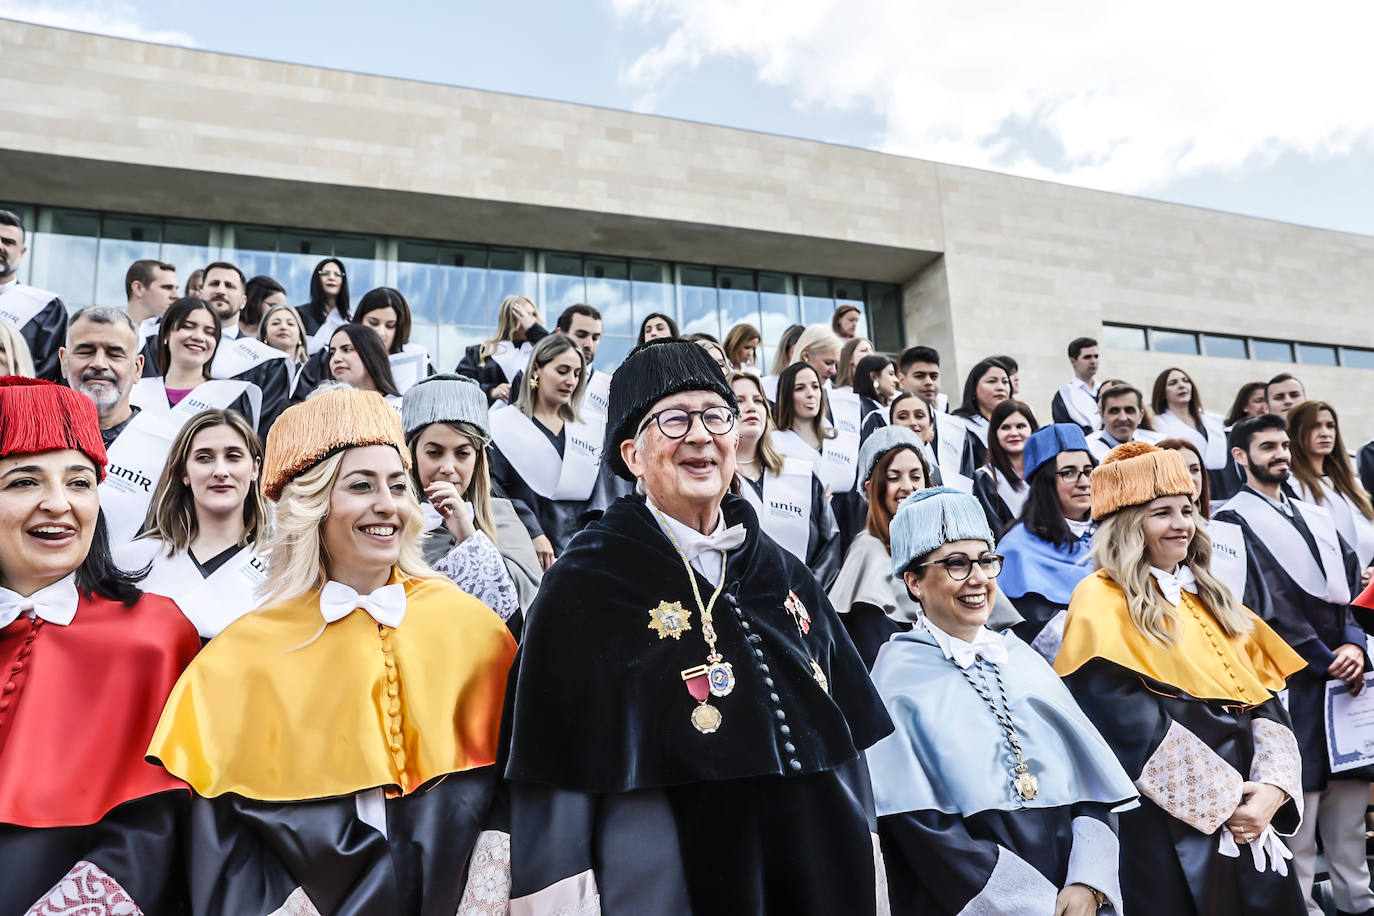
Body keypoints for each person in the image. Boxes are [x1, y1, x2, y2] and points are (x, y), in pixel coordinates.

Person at [501, 338, 893, 914]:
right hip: (665, 881)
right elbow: (552, 775)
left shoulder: (787, 575)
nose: (701, 435)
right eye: (676, 419)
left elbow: (846, 746)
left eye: (716, 415)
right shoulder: (583, 582)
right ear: (633, 455)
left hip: (822, 870)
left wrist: (870, 860)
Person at [148, 388, 518, 915]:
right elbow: (223, 842)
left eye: (396, 485)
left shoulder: (473, 627)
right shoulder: (244, 653)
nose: (387, 505)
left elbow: (516, 788)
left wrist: (485, 893)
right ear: (313, 505)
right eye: (361, 486)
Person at [1056, 441, 1309, 916]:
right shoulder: (1098, 598)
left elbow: (1267, 701)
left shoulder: (1211, 597)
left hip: (1250, 813)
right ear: (1130, 525)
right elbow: (1126, 723)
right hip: (1170, 820)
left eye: (1187, 509)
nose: (1182, 524)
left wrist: (1272, 789)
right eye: (1162, 513)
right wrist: (1228, 800)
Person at [870, 486, 1135, 916]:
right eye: (956, 564)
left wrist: (1088, 882)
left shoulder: (1023, 659)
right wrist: (1032, 905)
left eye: (986, 560)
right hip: (976, 899)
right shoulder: (895, 678)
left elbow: (1093, 788)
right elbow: (918, 827)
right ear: (914, 581)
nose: (978, 578)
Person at [0, 377, 200, 913]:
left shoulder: (155, 635)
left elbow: (156, 831)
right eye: (24, 482)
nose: (58, 505)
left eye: (80, 482)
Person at [1213, 414, 1374, 916]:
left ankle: (1358, 903)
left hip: (1343, 682)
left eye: (1283, 445)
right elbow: (1265, 606)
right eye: (1267, 447)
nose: (1280, 454)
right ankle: (1304, 907)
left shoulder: (1318, 517)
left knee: (1349, 815)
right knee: (1300, 817)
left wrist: (1355, 645)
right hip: (1293, 684)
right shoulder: (1232, 524)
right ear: (1240, 456)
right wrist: (1327, 659)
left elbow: (1352, 589)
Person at [113, 409, 270, 638]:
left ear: (255, 468)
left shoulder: (281, 569)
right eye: (204, 458)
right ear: (184, 473)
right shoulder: (133, 560)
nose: (220, 471)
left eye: (234, 456)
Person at [401, 373, 529, 628]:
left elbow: (526, 615)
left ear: (478, 459)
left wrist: (468, 537)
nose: (448, 467)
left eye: (462, 453)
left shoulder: (503, 517)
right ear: (412, 455)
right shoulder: (393, 520)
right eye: (434, 453)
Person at [487, 333, 613, 567]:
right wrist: (532, 532)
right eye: (562, 371)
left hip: (589, 551)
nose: (571, 381)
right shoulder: (502, 425)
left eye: (577, 374)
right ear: (536, 370)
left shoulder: (590, 428)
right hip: (532, 553)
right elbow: (494, 490)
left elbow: (603, 495)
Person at [829, 426, 946, 667]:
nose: (908, 486)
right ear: (871, 487)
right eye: (894, 477)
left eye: (916, 476)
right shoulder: (867, 551)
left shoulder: (944, 544)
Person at [730, 371, 840, 589]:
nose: (751, 407)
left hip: (805, 602)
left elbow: (830, 546)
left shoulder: (801, 476)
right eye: (738, 401)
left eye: (758, 400)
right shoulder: (715, 485)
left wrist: (807, 591)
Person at [996, 423, 1096, 659]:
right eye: (1069, 472)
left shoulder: (1113, 533)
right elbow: (1039, 635)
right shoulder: (1016, 549)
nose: (1083, 481)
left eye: (1088, 470)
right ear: (1045, 483)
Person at [131, 297, 260, 425]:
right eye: (188, 327)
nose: (199, 337)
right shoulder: (135, 392)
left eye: (209, 332)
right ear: (166, 334)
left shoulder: (232, 398)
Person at [1286, 400, 1374, 571]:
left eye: (1330, 426)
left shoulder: (1353, 484)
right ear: (1296, 432)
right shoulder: (1289, 485)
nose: (1325, 433)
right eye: (1315, 426)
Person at [1151, 366, 1237, 501]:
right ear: (1162, 393)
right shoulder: (1156, 424)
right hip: (1187, 487)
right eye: (1173, 383)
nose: (1181, 386)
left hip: (1226, 486)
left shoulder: (1214, 420)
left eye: (1185, 381)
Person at [0, 209, 67, 380]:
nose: (0, 246)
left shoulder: (46, 308)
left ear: (22, 252)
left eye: (7, 242)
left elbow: (45, 374)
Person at [457, 294, 547, 404]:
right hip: (491, 418)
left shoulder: (542, 351)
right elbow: (460, 385)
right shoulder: (480, 353)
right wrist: (491, 391)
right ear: (511, 318)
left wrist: (533, 330)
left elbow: (559, 350)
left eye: (533, 314)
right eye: (525, 315)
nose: (531, 320)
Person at [972, 399, 1038, 533]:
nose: (1014, 433)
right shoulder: (986, 478)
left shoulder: (1046, 471)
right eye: (1005, 427)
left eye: (1020, 426)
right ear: (995, 433)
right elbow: (994, 530)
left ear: (1032, 429)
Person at [351, 286, 433, 394]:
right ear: (360, 321)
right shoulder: (340, 355)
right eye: (373, 323)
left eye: (390, 325)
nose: (381, 332)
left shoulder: (419, 360)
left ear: (399, 328)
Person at [327, 323, 403, 405]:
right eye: (332, 353)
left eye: (347, 349)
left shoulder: (402, 408)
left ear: (371, 353)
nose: (336, 358)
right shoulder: (322, 408)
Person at [951, 357, 1012, 457]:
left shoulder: (1016, 425)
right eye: (992, 381)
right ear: (974, 389)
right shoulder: (959, 425)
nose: (1001, 387)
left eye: (1005, 382)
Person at [1087, 381, 1162, 459]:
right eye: (1114, 411)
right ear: (1102, 415)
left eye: (1129, 410)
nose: (1122, 418)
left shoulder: (1152, 452)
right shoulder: (1089, 454)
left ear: (1140, 416)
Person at [297, 256, 351, 352]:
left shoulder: (350, 319)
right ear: (317, 279)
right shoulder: (300, 314)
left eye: (337, 274)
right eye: (325, 273)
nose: (331, 277)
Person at [1051, 336, 1101, 432]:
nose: (1093, 361)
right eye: (1087, 357)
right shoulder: (1064, 395)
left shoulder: (1105, 389)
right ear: (1073, 361)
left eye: (1096, 356)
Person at [258, 301, 309, 390]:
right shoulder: (254, 370)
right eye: (276, 323)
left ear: (300, 336)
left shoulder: (311, 371)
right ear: (264, 335)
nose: (283, 327)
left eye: (290, 324)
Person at [124, 258, 179, 329]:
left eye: (176, 289)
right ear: (138, 288)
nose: (176, 296)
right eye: (167, 287)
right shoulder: (107, 328)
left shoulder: (174, 334)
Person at [200, 261, 249, 340]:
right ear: (200, 295)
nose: (221, 291)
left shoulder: (255, 350)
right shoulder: (179, 342)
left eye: (229, 286)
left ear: (243, 302)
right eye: (214, 284)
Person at [854, 353, 897, 443]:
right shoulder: (860, 408)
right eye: (891, 374)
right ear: (874, 376)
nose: (896, 380)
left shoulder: (892, 406)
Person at [897, 344, 948, 413]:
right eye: (919, 376)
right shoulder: (883, 420)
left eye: (934, 377)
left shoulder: (953, 423)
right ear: (902, 381)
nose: (929, 382)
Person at [238, 274, 285, 341]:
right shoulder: (227, 324)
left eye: (280, 308)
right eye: (272, 306)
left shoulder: (271, 337)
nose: (277, 312)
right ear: (254, 301)